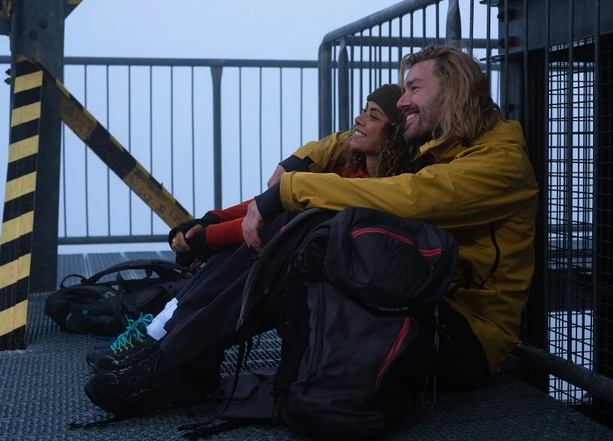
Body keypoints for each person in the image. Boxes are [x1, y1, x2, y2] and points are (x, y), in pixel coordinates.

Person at [84, 44, 537, 416]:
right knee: (296, 228)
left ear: (453, 91)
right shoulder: (442, 141)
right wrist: (300, 162)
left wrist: (290, 189)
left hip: (463, 336)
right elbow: (346, 141)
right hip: (419, 298)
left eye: (413, 88)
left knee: (305, 225)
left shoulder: (498, 164)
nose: (402, 101)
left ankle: (175, 358)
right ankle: (179, 357)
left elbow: (413, 198)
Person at [86, 84, 414, 374]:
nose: (358, 119)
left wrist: (210, 238)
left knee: (261, 243)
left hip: (338, 278)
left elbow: (284, 213)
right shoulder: (348, 170)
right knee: (247, 243)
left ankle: (170, 340)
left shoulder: (378, 187)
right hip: (305, 264)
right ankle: (165, 332)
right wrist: (211, 221)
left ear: (394, 135)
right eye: (362, 110)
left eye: (373, 116)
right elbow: (267, 203)